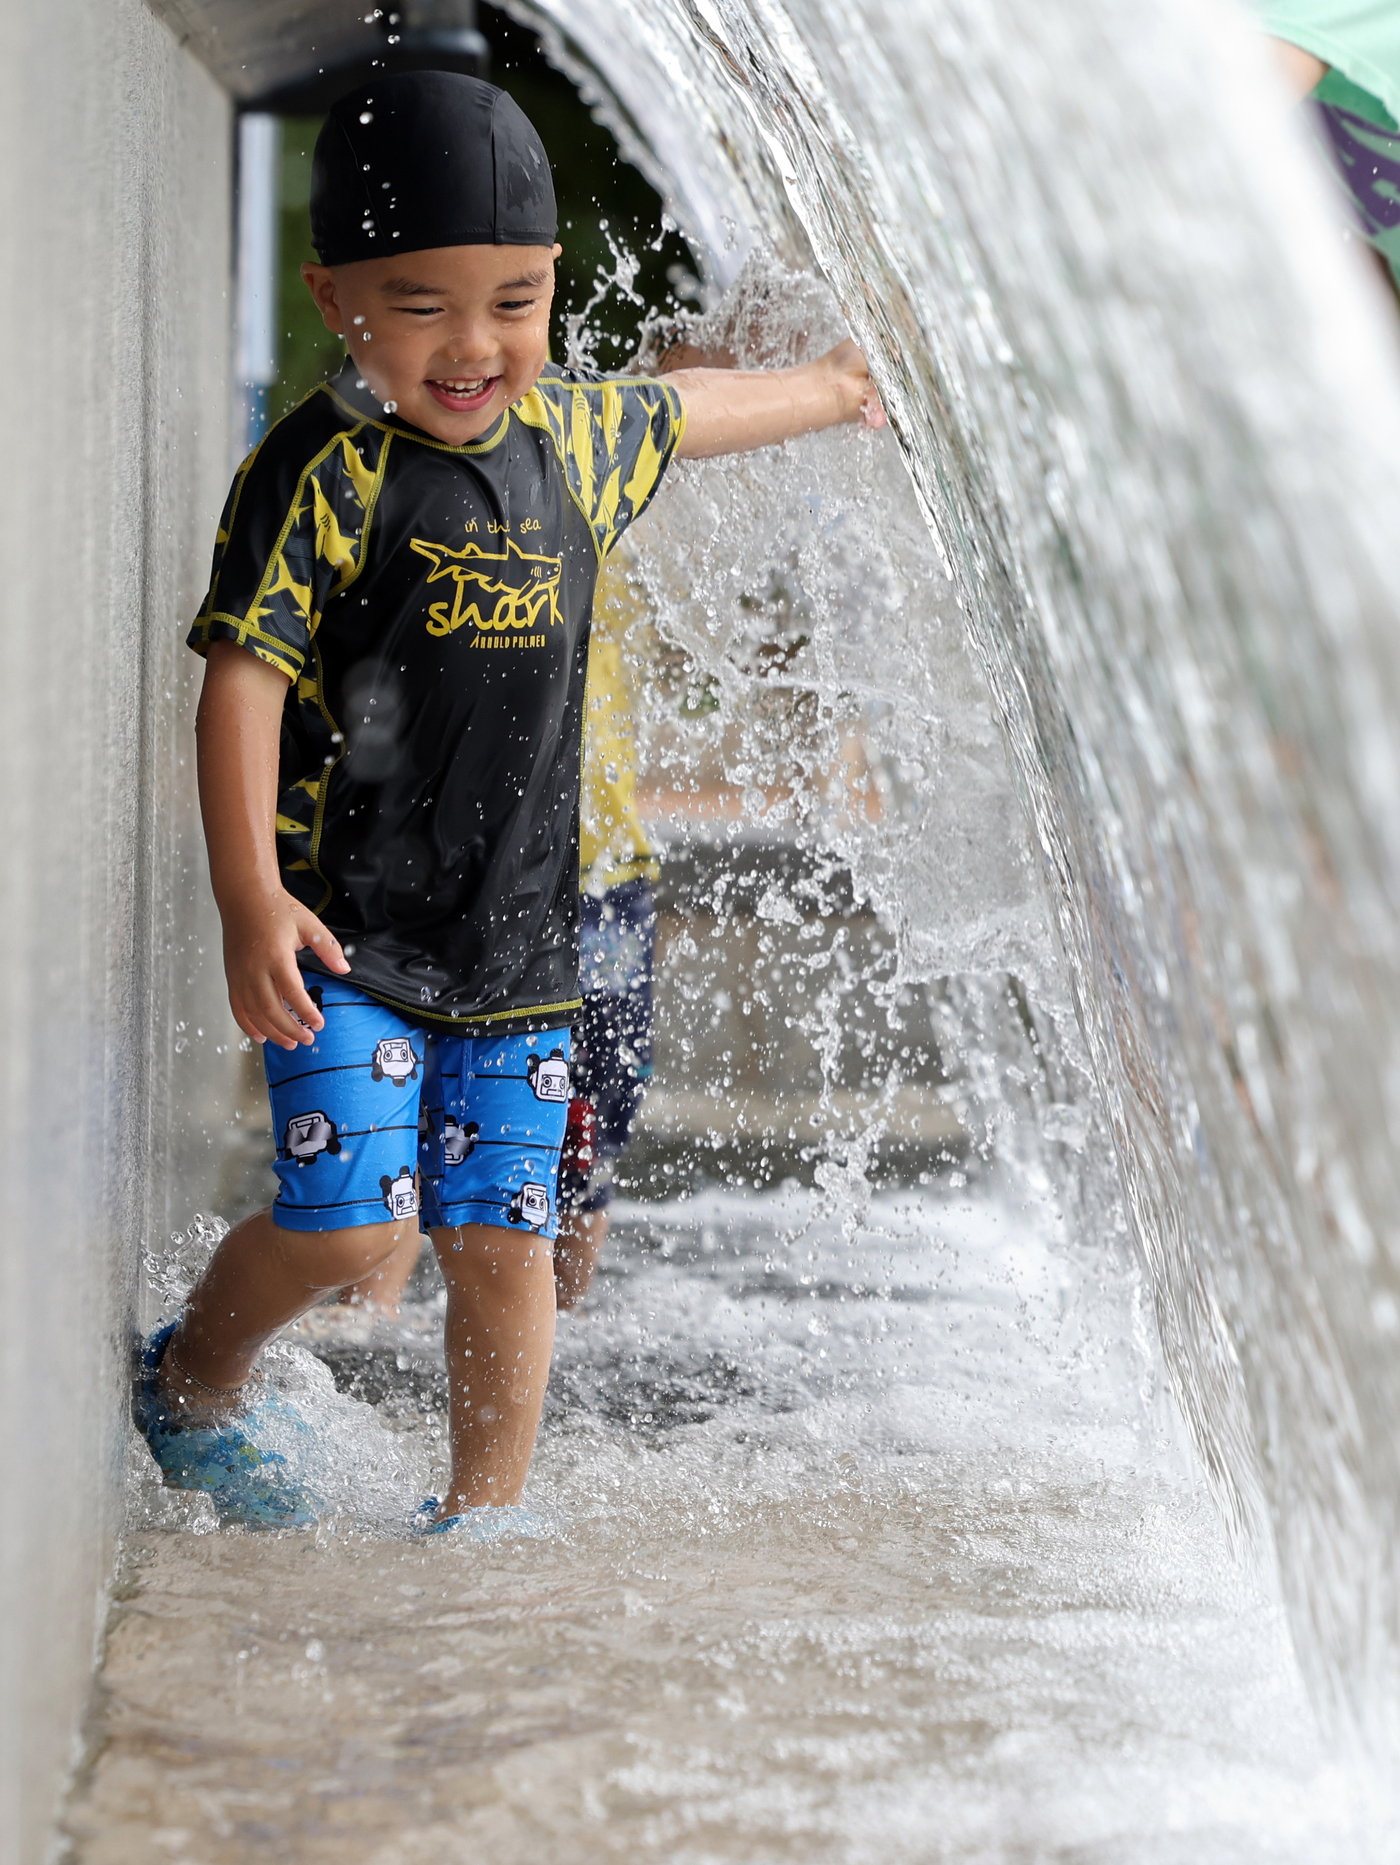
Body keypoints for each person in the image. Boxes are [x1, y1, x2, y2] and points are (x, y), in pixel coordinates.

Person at [133, 69, 885, 1534]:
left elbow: (687, 407)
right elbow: (244, 679)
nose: (475, 345)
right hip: (345, 936)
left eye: (517, 301)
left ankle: (482, 1512)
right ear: (336, 297)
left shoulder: (570, 445)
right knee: (349, 1228)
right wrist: (248, 897)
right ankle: (196, 1370)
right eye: (423, 306)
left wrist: (835, 389)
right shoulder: (322, 471)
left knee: (501, 1240)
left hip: (521, 951)